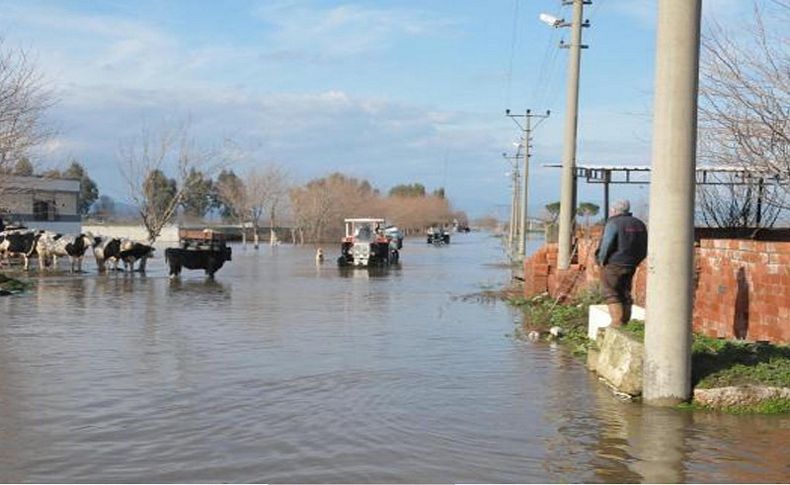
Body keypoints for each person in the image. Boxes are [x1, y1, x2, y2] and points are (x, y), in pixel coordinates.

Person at [596, 200, 647, 327]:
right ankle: (625, 322)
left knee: (611, 292)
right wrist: (637, 260)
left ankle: (616, 323)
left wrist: (601, 261)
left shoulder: (613, 223)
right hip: (632, 264)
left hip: (614, 263)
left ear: (614, 210)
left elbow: (606, 245)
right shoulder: (639, 223)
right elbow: (645, 245)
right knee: (625, 292)